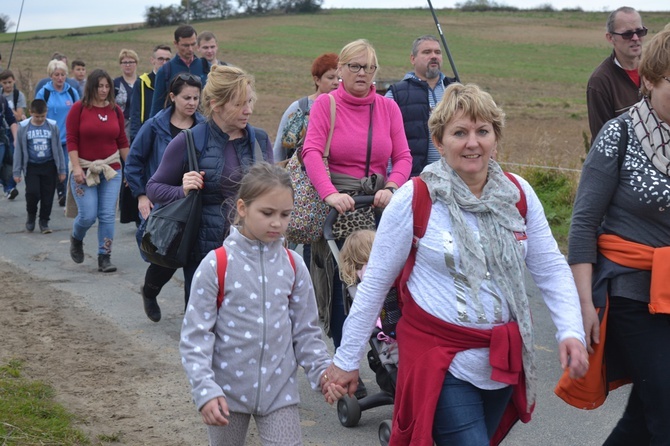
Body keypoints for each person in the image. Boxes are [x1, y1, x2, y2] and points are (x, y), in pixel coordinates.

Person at [321, 83, 589, 446]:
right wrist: (347, 358)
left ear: (496, 136)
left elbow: (551, 268)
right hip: (439, 359)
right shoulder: (416, 198)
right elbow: (376, 283)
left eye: (483, 131)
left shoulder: (518, 195)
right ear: (440, 140)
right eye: (459, 133)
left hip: (500, 363)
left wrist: (569, 330)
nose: (472, 143)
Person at [179, 162, 342, 445]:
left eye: (285, 214)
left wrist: (322, 374)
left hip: (280, 393)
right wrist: (205, 389)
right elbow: (196, 337)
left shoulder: (294, 265)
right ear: (242, 208)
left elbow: (306, 332)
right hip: (225, 393)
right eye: (267, 213)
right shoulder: (216, 265)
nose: (277, 222)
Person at [566, 29, 670, 444]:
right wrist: (584, 303)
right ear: (649, 79)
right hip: (632, 296)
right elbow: (583, 223)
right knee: (665, 409)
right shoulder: (620, 134)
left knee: (646, 416)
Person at [301, 39, 412, 355]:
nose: (363, 73)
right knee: (343, 286)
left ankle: (387, 356)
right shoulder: (327, 105)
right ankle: (343, 358)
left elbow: (403, 156)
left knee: (385, 286)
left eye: (369, 67)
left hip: (379, 204)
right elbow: (311, 152)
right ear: (340, 69)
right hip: (338, 206)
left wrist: (391, 188)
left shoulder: (388, 108)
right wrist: (330, 194)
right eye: (355, 66)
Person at [146, 65, 272, 308]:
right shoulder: (189, 140)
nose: (248, 110)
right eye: (239, 104)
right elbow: (153, 187)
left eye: (250, 102)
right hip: (205, 253)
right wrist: (181, 189)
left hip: (253, 249)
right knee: (205, 325)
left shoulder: (260, 140)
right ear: (216, 104)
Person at [126, 73, 205, 322]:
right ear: (172, 97)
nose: (192, 102)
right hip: (163, 204)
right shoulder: (154, 126)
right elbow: (134, 161)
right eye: (186, 97)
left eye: (195, 97)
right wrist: (141, 195)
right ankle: (149, 292)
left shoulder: (204, 127)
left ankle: (192, 322)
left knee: (197, 265)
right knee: (165, 261)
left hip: (195, 204)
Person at [66, 69, 129, 273]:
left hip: (111, 169)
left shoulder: (115, 110)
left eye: (107, 86)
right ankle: (76, 237)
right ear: (91, 87)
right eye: (100, 86)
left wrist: (132, 170)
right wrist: (76, 168)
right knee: (88, 215)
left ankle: (105, 255)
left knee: (107, 214)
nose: (103, 90)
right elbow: (72, 140)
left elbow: (122, 141)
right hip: (84, 168)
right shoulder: (79, 109)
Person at [386, 35, 456, 177]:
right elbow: (383, 140)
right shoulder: (396, 94)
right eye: (427, 52)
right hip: (412, 179)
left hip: (454, 178)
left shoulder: (456, 90)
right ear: (413, 59)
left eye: (437, 52)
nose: (433, 56)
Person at [587, 7, 645, 144]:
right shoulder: (600, 82)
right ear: (610, 38)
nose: (636, 38)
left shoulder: (656, 69)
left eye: (640, 31)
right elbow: (603, 141)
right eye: (627, 34)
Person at [272, 52, 339, 162]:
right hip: (300, 174)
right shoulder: (299, 107)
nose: (336, 82)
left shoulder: (345, 108)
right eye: (330, 77)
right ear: (317, 80)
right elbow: (279, 149)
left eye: (339, 78)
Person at [12, 99, 66, 233]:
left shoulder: (52, 126)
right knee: (32, 193)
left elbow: (58, 149)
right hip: (32, 167)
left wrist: (61, 169)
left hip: (49, 166)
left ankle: (44, 221)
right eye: (37, 116)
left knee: (48, 196)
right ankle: (31, 215)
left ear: (46, 113)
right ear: (30, 113)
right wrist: (16, 172)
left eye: (43, 116)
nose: (40, 119)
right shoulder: (24, 127)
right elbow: (18, 150)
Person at [35, 59, 80, 207]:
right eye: (56, 75)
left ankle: (64, 194)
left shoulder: (72, 93)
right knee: (52, 167)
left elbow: (79, 112)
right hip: (49, 137)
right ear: (51, 76)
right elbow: (37, 113)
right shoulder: (44, 92)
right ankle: (51, 192)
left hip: (69, 138)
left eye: (62, 74)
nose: (60, 78)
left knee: (67, 167)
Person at [150, 25, 209, 118]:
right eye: (185, 45)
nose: (190, 49)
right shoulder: (165, 70)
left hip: (203, 125)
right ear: (176, 43)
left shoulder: (206, 67)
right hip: (175, 127)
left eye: (193, 44)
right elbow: (157, 107)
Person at [129, 44, 172, 142]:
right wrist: (135, 139)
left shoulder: (175, 83)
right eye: (160, 59)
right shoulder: (142, 82)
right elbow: (135, 113)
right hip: (147, 134)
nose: (164, 63)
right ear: (152, 60)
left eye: (167, 60)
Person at [114, 49, 139, 136]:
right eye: (124, 62)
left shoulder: (142, 82)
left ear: (136, 63)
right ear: (120, 65)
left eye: (131, 62)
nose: (128, 65)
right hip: (121, 126)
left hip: (139, 126)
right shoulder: (115, 84)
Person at [0, 94, 18, 199]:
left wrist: (16, 138)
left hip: (1, 140)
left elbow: (11, 120)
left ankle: (8, 187)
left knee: (6, 165)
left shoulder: (2, 100)